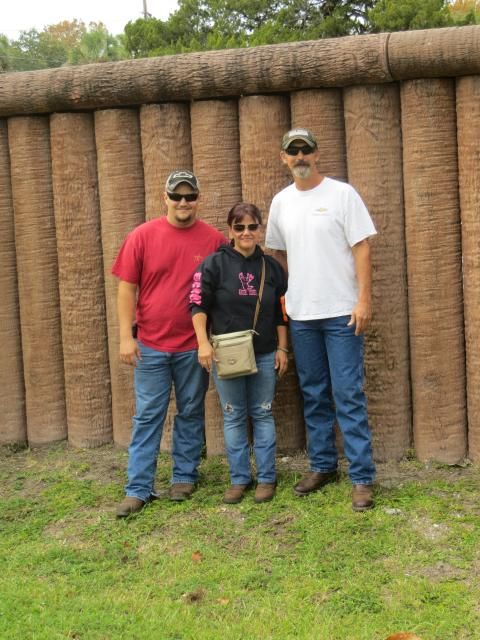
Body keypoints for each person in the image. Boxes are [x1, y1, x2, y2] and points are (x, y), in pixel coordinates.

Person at [265, 128, 377, 511]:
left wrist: (364, 300)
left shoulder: (342, 195)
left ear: (316, 154)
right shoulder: (281, 202)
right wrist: (288, 295)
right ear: (284, 158)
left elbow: (362, 247)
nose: (300, 157)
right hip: (302, 315)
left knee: (348, 393)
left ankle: (362, 477)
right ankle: (323, 465)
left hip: (342, 312)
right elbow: (278, 254)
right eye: (292, 151)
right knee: (313, 393)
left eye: (305, 150)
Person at [112, 170, 227, 517]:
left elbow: (226, 289)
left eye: (189, 196)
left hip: (194, 346)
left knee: (190, 411)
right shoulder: (142, 236)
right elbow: (126, 289)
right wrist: (125, 336)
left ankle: (184, 477)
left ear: (198, 199)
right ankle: (138, 488)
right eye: (176, 196)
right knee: (148, 415)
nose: (183, 202)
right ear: (165, 198)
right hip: (151, 345)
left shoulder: (214, 241)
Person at [190, 202, 288, 504]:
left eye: (252, 227)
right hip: (227, 354)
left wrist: (282, 347)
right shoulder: (213, 265)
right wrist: (203, 344)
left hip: (265, 353)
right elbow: (197, 305)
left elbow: (282, 312)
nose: (246, 232)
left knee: (263, 413)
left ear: (260, 229)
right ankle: (239, 479)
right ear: (230, 230)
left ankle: (267, 478)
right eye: (239, 227)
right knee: (233, 415)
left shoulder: (272, 267)